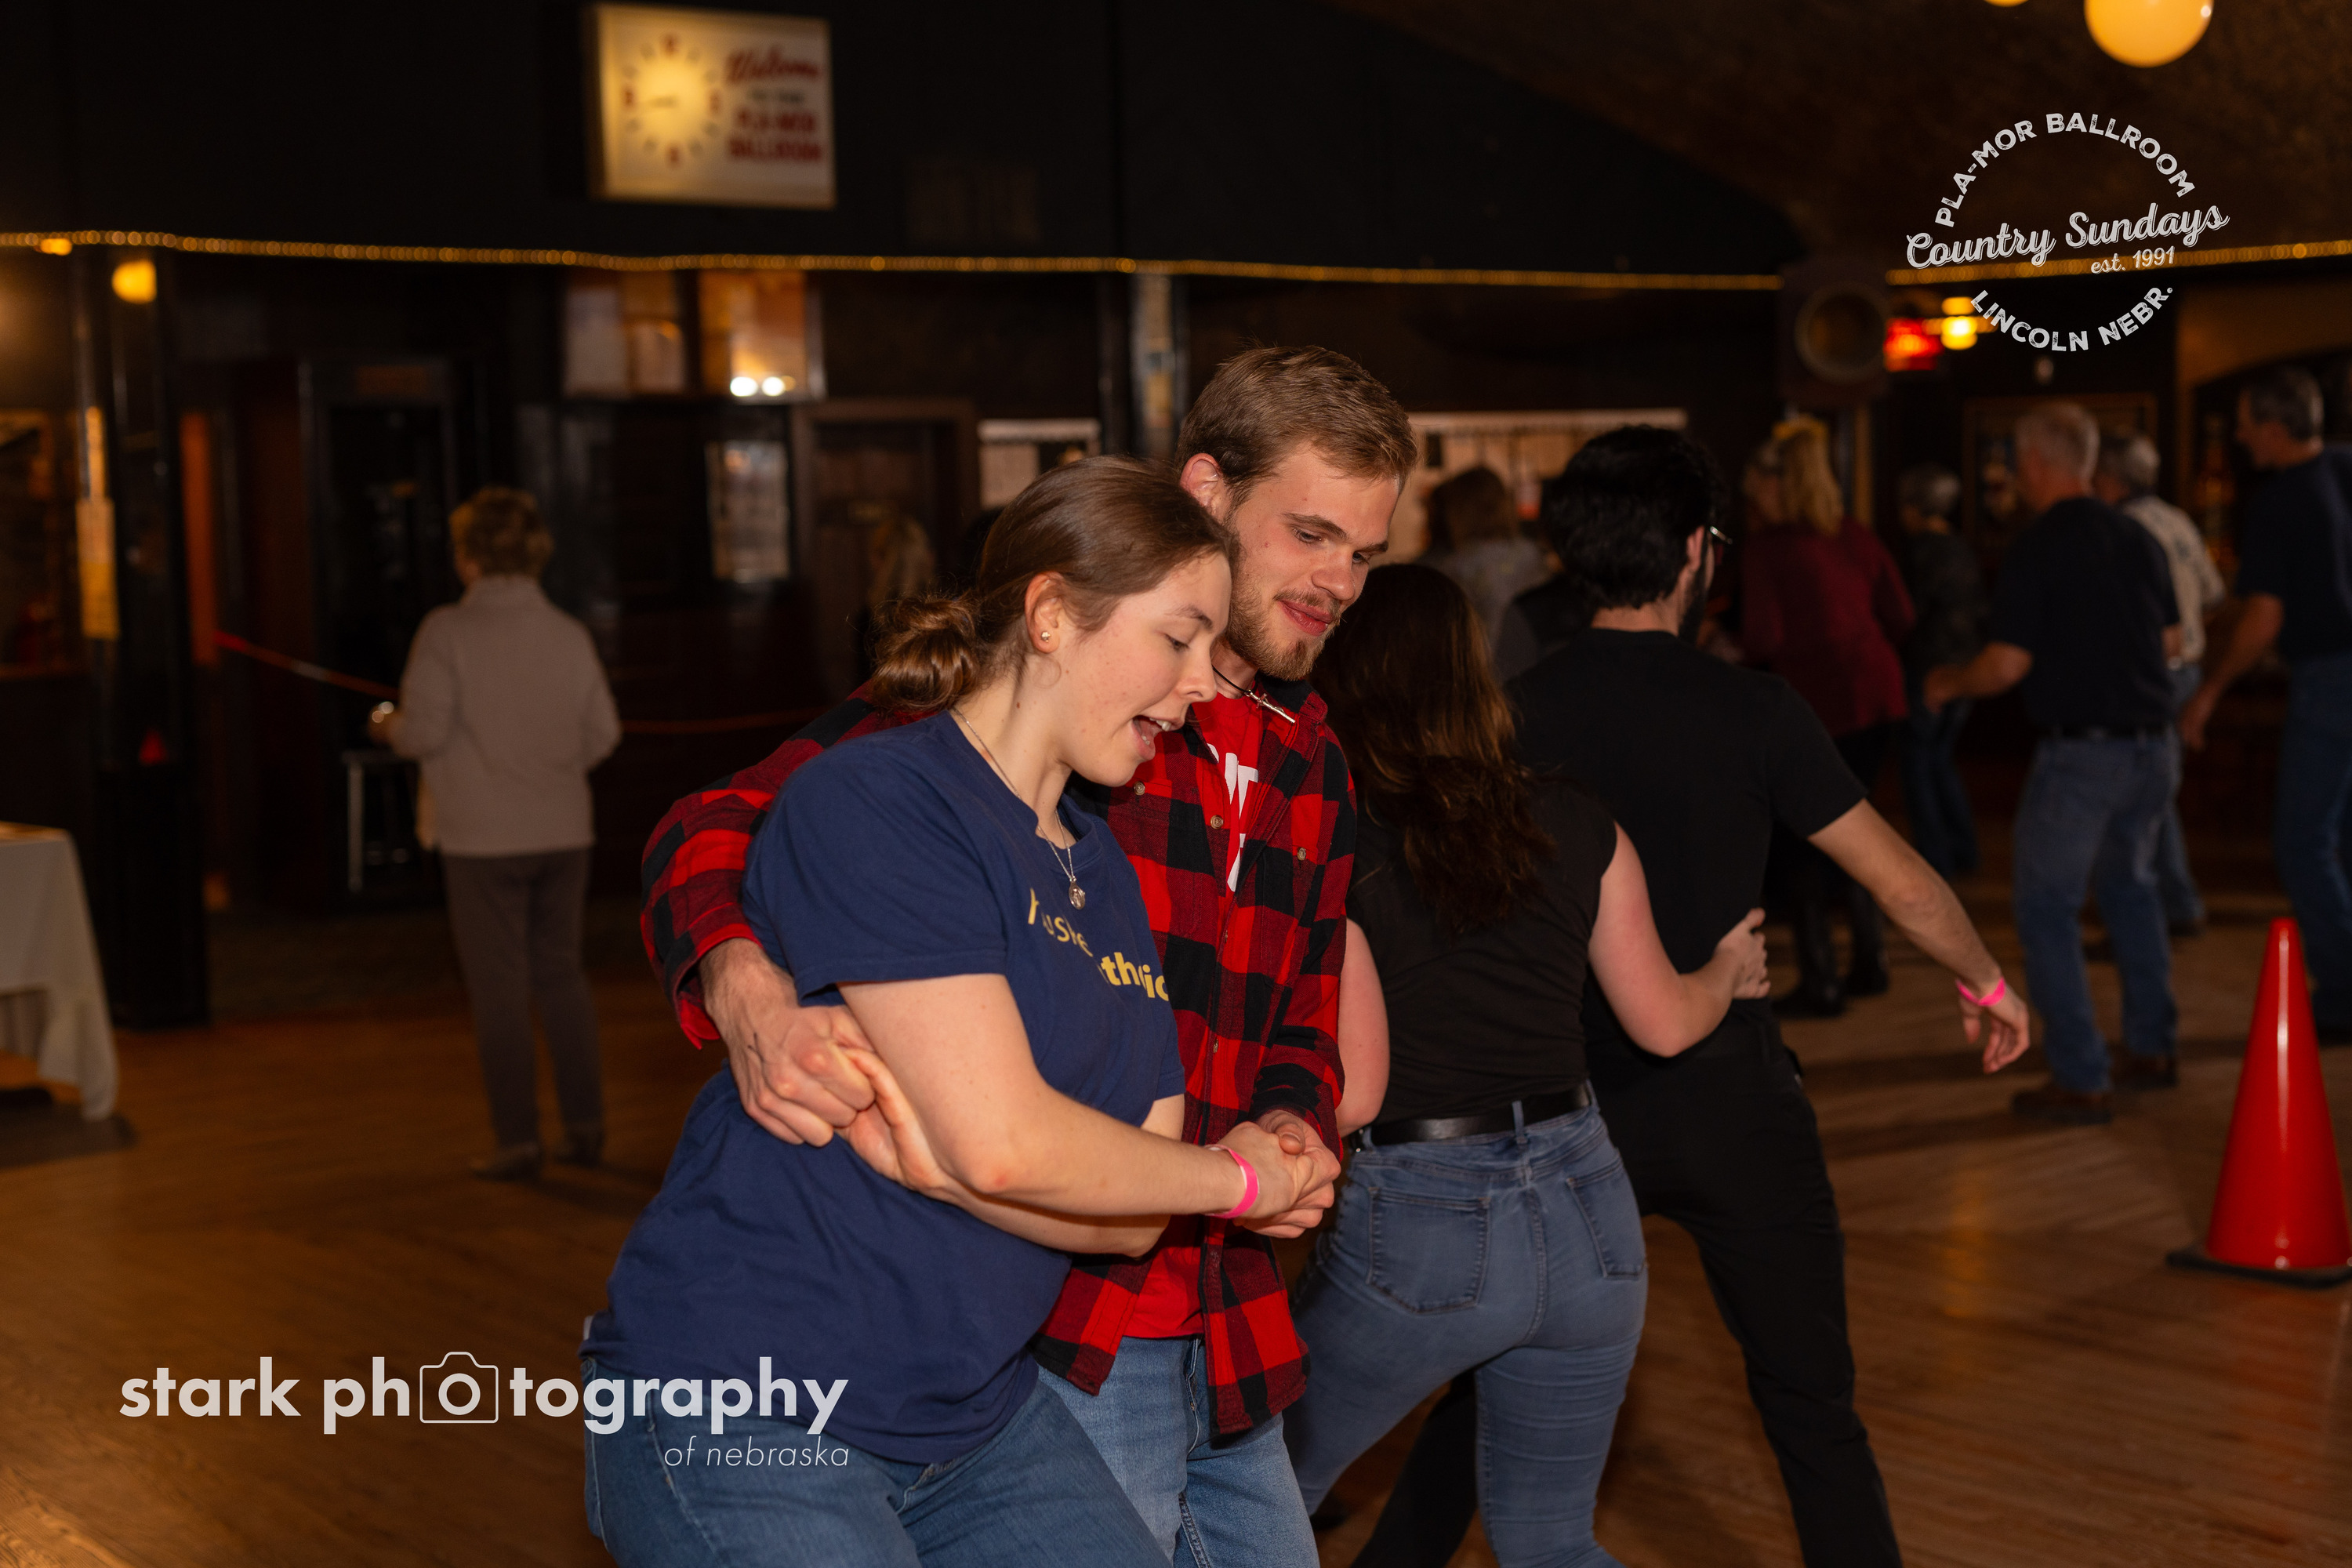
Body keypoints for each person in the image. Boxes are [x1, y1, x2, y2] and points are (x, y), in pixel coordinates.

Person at [634, 345, 1418, 1563]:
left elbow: (1302, 1017)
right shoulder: (1053, 702)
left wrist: (1290, 1127)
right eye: (1311, 534)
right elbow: (720, 826)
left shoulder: (1311, 761)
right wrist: (746, 988)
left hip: (1222, 1319)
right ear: (1204, 492)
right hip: (1053, 1330)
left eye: (1364, 554)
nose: (1340, 583)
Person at [1360, 425, 2030, 1568]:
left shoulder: (1509, 714)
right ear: (1692, 553)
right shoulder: (1755, 710)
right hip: (1731, 1100)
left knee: (1491, 1393)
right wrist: (1987, 980)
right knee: (1811, 1405)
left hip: (1563, 1111)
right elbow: (1903, 883)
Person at [1280, 563, 1770, 1568]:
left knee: (1240, 1491)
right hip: (1590, 1209)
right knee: (1552, 1542)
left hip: (1422, 1224)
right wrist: (1728, 967)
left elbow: (1354, 1088)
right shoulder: (1575, 818)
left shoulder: (1335, 840)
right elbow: (1665, 1022)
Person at [1926, 402, 2183, 1120]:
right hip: (2153, 748)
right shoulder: (2138, 536)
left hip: (2084, 754)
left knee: (2046, 908)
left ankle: (2080, 1074)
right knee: (2132, 891)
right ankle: (2153, 1046)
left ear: (2035, 462)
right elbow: (2170, 642)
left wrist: (1948, 683)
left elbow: (2007, 664)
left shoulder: (2038, 546)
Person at [371, 486, 619, 1180]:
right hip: (563, 830)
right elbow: (603, 733)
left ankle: (517, 1139)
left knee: (500, 988)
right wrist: (549, 768)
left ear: (468, 557)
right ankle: (586, 1125)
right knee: (562, 976)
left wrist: (385, 724)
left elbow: (422, 733)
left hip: (481, 838)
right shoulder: (567, 634)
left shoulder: (447, 633)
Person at [2181, 366, 2352, 1044]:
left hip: (2330, 680)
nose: (2240, 436)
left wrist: (2210, 692)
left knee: (2303, 842)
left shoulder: (2280, 502)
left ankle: (2344, 993)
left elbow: (2263, 620)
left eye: (2247, 424)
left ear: (2275, 430)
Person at [1741, 419, 1917, 1015]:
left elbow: (1763, 637)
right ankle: (1871, 962)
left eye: (1755, 488)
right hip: (1878, 697)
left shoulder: (1768, 549)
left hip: (1820, 706)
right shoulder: (1854, 534)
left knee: (1802, 846)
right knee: (1857, 828)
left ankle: (1822, 981)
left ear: (1775, 484)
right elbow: (1902, 615)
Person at [2096, 433, 2225, 935]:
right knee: (2157, 792)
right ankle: (2174, 902)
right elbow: (2213, 596)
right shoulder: (2178, 519)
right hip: (2186, 668)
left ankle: (2162, 906)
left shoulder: (2123, 532)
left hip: (2150, 676)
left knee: (2142, 795)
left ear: (2112, 479)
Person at [1893, 463, 1986, 880]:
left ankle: (1935, 858)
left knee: (1918, 764)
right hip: (1964, 668)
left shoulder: (1920, 553)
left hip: (1928, 673)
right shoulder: (1961, 549)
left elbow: (1906, 613)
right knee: (1940, 760)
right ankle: (1963, 849)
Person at [1419, 466, 1549, 652]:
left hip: (1485, 662)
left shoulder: (1458, 567)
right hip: (1534, 656)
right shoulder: (1532, 554)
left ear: (1460, 512)